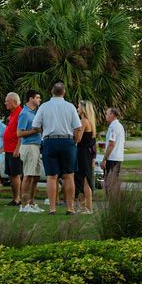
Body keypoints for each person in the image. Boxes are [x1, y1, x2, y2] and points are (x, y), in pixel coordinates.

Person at [33, 82, 83, 215]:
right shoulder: (70, 106)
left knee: (51, 176)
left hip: (50, 141)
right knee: (69, 175)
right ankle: (70, 208)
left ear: (51, 92)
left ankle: (52, 208)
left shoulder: (44, 106)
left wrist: (43, 132)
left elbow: (36, 125)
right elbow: (78, 127)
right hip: (67, 141)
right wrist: (75, 141)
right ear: (64, 92)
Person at [16, 90, 43, 213]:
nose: (39, 100)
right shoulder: (24, 113)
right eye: (37, 98)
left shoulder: (35, 112)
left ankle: (31, 203)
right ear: (31, 99)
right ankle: (24, 205)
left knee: (36, 176)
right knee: (28, 175)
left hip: (36, 146)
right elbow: (19, 133)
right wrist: (35, 130)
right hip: (29, 146)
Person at [75, 100, 97, 214]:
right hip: (87, 154)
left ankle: (87, 207)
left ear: (83, 109)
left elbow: (78, 139)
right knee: (85, 179)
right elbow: (93, 143)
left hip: (82, 153)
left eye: (78, 107)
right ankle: (86, 207)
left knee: (84, 180)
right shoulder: (91, 122)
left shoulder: (83, 121)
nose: (77, 109)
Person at [3, 92, 24, 207]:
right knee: (11, 174)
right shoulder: (11, 115)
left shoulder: (20, 113)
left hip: (14, 149)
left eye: (7, 101)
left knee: (16, 174)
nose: (5, 103)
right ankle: (15, 197)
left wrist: (17, 148)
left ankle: (17, 199)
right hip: (8, 149)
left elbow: (21, 133)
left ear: (14, 102)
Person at [103, 106, 125, 193]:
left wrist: (105, 158)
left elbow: (111, 144)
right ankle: (116, 199)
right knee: (114, 179)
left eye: (107, 113)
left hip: (112, 157)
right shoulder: (119, 126)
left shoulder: (113, 127)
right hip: (118, 157)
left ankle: (112, 200)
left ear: (112, 114)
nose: (106, 115)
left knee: (109, 181)